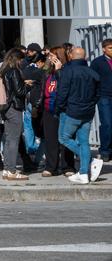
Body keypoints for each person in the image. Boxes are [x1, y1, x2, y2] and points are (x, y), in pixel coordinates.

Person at [55, 45, 103, 184]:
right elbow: (97, 94)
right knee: (84, 142)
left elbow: (62, 93)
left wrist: (59, 109)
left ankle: (91, 160)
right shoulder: (92, 72)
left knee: (63, 138)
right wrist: (90, 104)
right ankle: (83, 173)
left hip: (71, 111)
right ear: (85, 57)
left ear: (71, 56)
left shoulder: (67, 71)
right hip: (87, 112)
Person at [39, 47, 75, 177]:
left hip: (64, 110)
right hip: (49, 109)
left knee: (65, 139)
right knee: (50, 140)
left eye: (52, 56)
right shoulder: (47, 72)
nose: (49, 58)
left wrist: (59, 70)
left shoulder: (67, 71)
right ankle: (51, 166)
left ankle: (67, 166)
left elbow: (66, 86)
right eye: (49, 56)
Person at [0, 49, 31, 181]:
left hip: (5, 107)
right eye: (21, 59)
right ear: (17, 59)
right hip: (14, 107)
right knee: (14, 139)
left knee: (8, 139)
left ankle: (7, 169)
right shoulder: (14, 71)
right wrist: (27, 86)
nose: (22, 62)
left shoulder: (3, 71)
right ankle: (12, 170)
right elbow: (19, 91)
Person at [93, 39, 112, 163]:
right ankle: (105, 150)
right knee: (107, 123)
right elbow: (93, 79)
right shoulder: (97, 62)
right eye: (110, 48)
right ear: (104, 49)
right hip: (104, 96)